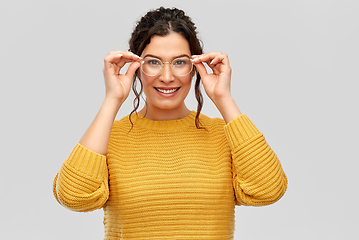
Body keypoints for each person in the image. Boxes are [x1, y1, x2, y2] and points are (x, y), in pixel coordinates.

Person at [53, 7, 287, 240]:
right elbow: (74, 197)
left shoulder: (223, 135)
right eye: (153, 62)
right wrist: (112, 99)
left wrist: (223, 98)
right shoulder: (107, 139)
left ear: (195, 67)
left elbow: (268, 190)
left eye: (179, 63)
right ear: (136, 67)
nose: (166, 77)